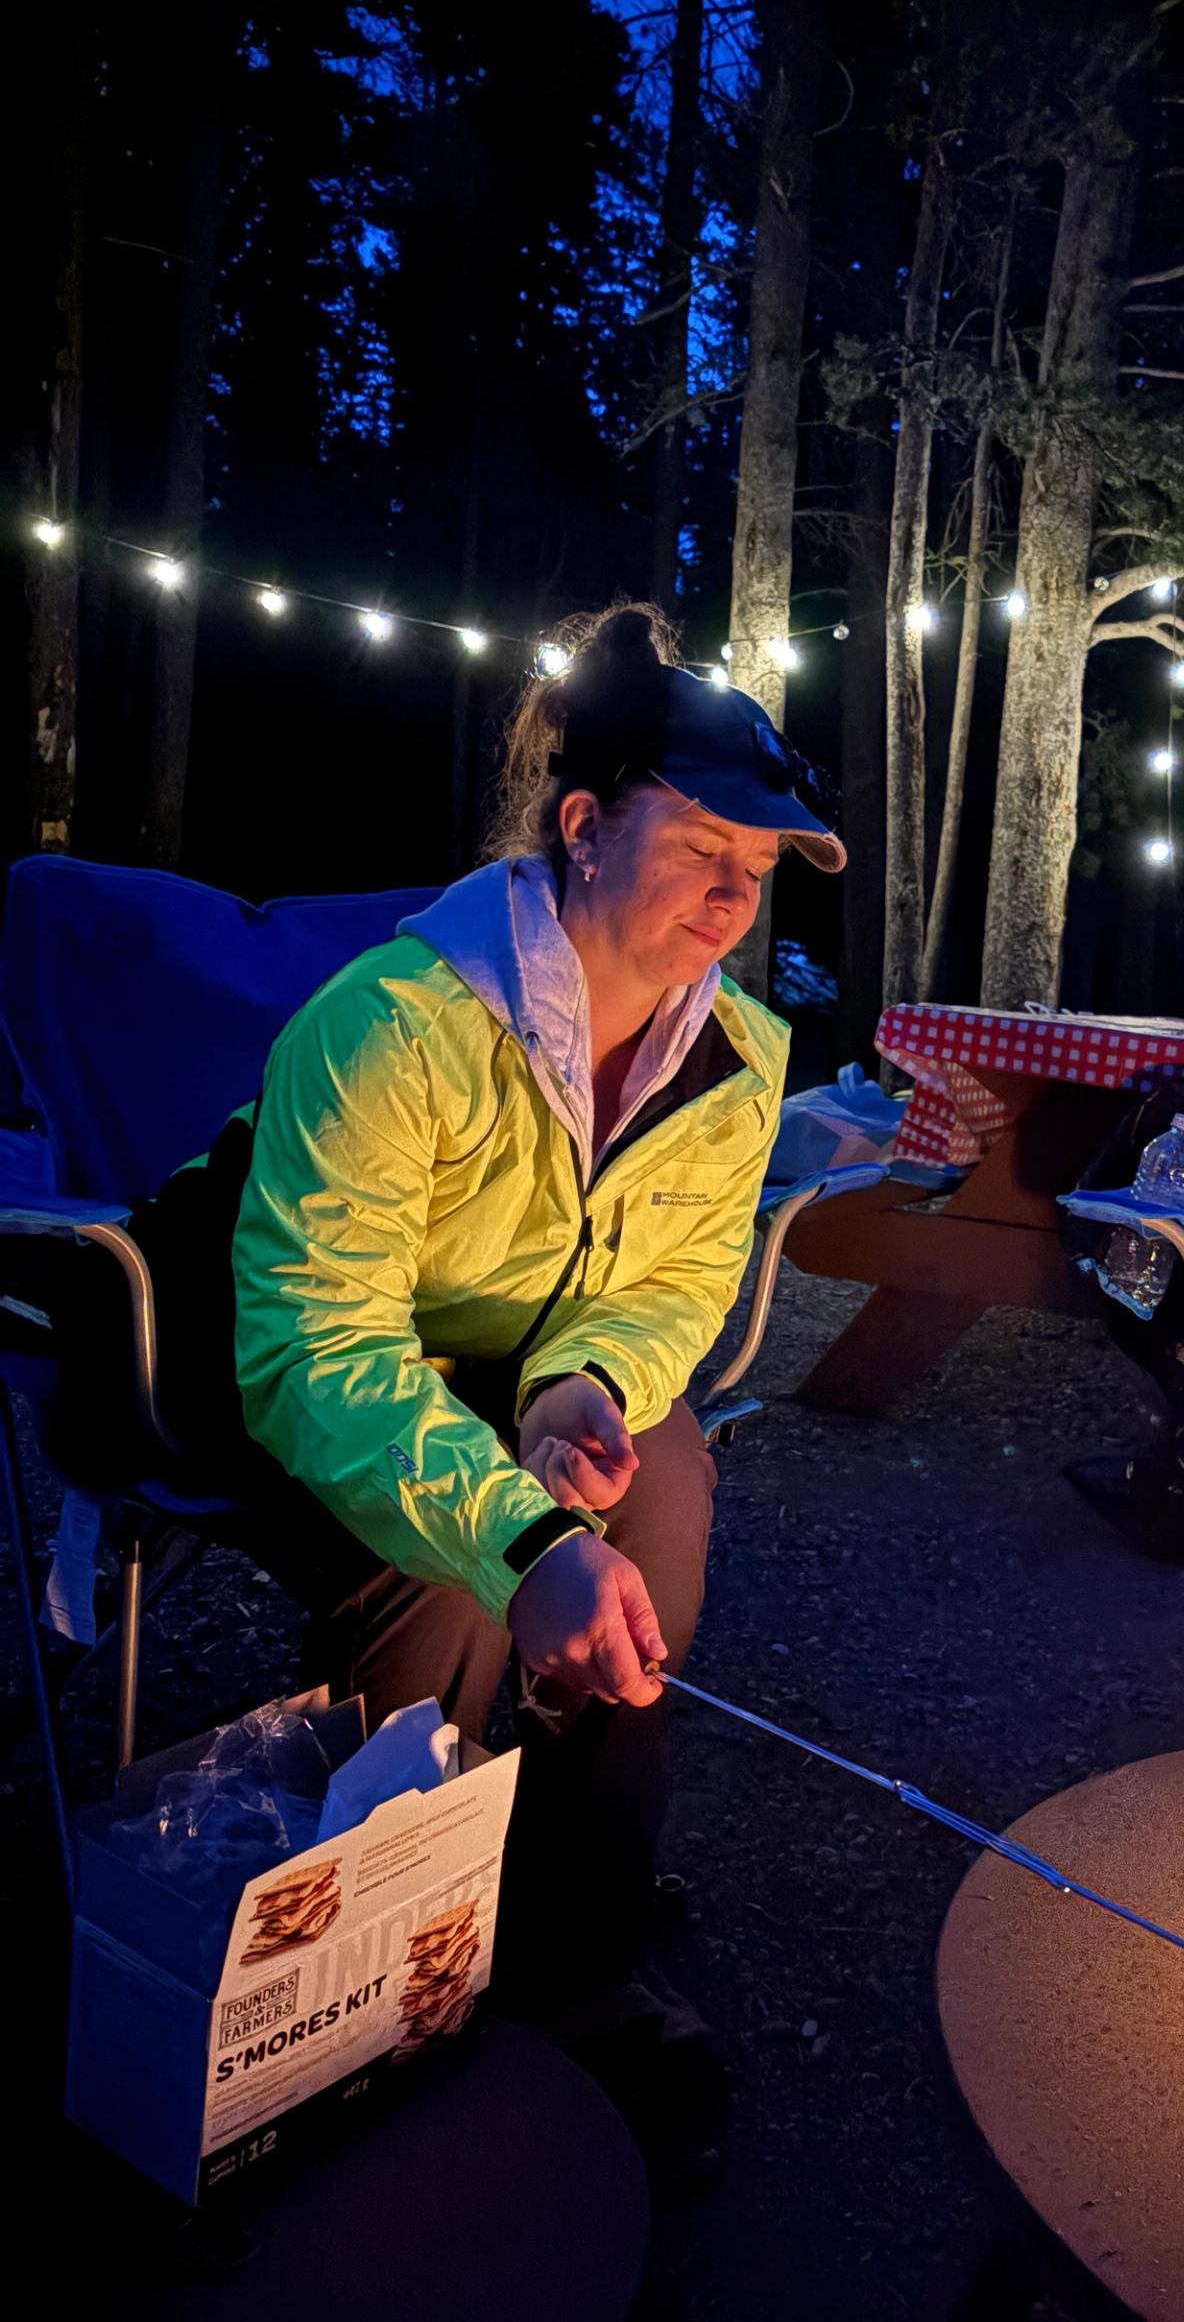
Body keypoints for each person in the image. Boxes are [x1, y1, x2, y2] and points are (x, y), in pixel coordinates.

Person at [83, 601, 844, 2130]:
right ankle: (376, 1976)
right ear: (584, 827)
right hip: (265, 1364)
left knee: (663, 1481)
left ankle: (572, 1942)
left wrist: (581, 1390)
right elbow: (321, 1345)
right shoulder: (392, 1025)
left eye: (759, 868)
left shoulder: (738, 1061)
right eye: (704, 846)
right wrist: (522, 1542)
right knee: (444, 1574)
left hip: (498, 1368)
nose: (733, 896)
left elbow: (677, 1278)